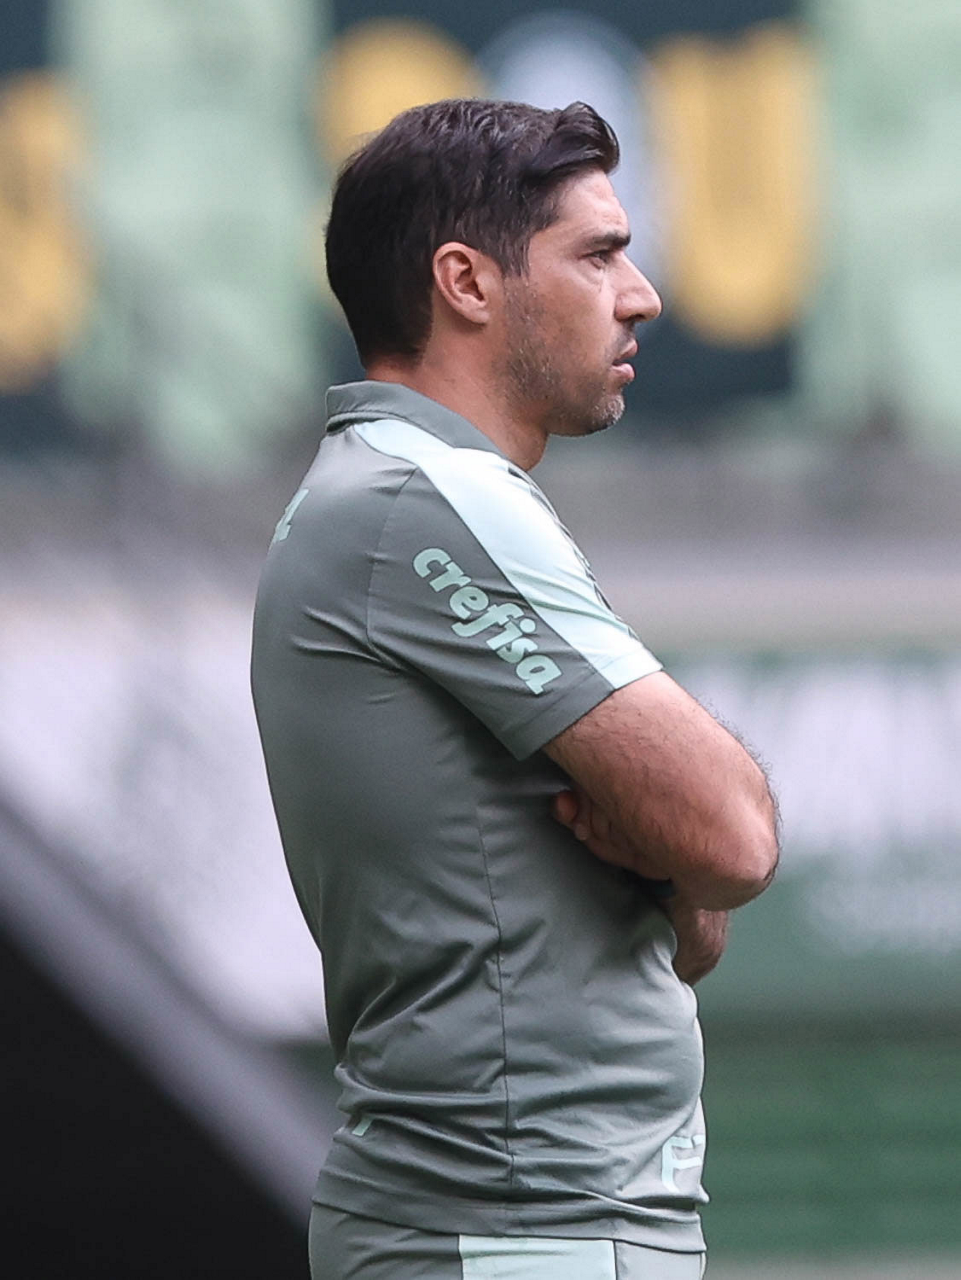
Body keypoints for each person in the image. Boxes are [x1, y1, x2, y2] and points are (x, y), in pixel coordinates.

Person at [251, 98, 779, 1280]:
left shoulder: (397, 493)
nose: (641, 295)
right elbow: (732, 839)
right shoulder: (422, 500)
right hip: (516, 1237)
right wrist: (676, 843)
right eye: (597, 254)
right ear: (466, 282)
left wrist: (676, 850)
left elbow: (692, 912)